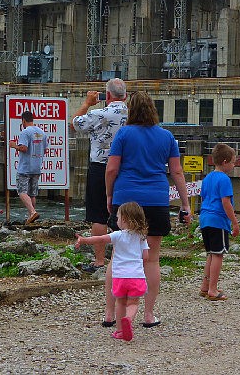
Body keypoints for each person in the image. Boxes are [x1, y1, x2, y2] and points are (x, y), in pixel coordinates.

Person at [105, 91, 191, 329]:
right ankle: (148, 315)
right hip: (156, 200)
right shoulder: (167, 137)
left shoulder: (123, 133)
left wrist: (110, 195)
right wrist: (185, 205)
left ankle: (110, 313)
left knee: (117, 257)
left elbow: (112, 169)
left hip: (126, 198)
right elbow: (177, 172)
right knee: (151, 260)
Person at [71, 78, 127, 273]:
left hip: (100, 167)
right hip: (125, 169)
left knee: (99, 216)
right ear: (125, 96)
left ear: (108, 95)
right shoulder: (134, 114)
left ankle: (100, 261)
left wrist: (87, 103)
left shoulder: (99, 113)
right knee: (124, 213)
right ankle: (122, 259)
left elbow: (75, 124)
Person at [76, 201, 149, 341]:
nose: (117, 220)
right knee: (133, 303)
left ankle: (120, 331)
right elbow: (145, 257)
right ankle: (128, 318)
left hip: (119, 276)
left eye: (118, 218)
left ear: (125, 220)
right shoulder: (141, 237)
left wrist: (84, 240)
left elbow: (100, 239)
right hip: (136, 276)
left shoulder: (118, 235)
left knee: (120, 302)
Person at [199, 143, 240, 301]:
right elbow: (226, 202)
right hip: (218, 220)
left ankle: (205, 286)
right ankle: (213, 289)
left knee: (210, 253)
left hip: (205, 218)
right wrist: (234, 222)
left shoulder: (208, 178)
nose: (233, 165)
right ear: (225, 162)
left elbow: (203, 198)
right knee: (218, 254)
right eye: (232, 162)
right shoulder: (224, 179)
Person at [8, 110, 49, 224]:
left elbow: (24, 148)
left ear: (23, 121)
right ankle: (31, 217)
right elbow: (45, 149)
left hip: (25, 167)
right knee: (32, 193)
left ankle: (32, 212)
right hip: (37, 167)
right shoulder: (42, 132)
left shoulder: (25, 132)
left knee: (21, 191)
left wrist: (13, 146)